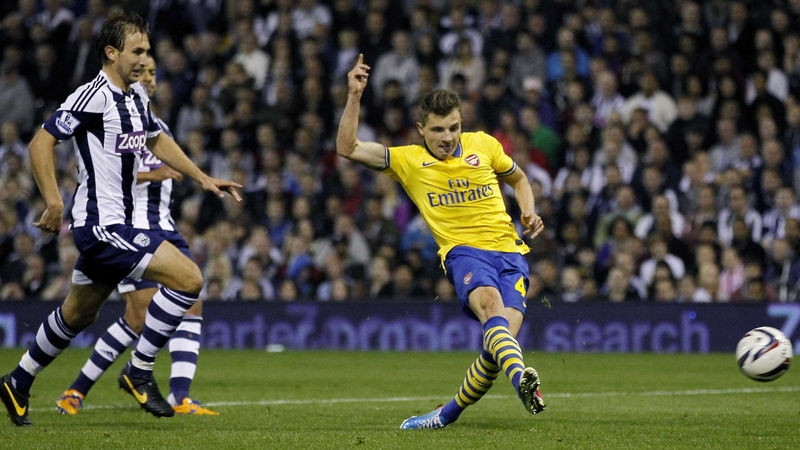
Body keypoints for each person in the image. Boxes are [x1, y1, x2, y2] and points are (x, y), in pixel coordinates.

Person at [0, 12, 240, 427]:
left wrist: (201, 177)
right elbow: (41, 141)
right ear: (112, 53)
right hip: (102, 225)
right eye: (138, 51)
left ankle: (17, 381)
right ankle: (139, 369)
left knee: (79, 314)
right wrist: (54, 201)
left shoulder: (136, 97)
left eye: (147, 50)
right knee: (190, 280)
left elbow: (156, 138)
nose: (145, 59)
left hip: (121, 226)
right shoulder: (91, 96)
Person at [336, 54, 546, 430]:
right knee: (491, 307)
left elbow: (520, 180)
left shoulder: (484, 145)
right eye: (438, 130)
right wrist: (354, 95)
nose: (448, 137)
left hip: (511, 253)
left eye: (453, 128)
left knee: (497, 349)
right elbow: (348, 147)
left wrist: (528, 211)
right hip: (464, 254)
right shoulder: (409, 161)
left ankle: (445, 415)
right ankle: (524, 383)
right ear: (421, 129)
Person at [55, 55, 218, 417]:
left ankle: (181, 395)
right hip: (129, 229)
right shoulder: (112, 121)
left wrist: (197, 176)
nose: (148, 78)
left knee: (192, 299)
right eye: (141, 71)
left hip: (163, 225)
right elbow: (102, 174)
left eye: (154, 73)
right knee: (139, 316)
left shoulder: (156, 126)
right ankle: (78, 390)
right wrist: (153, 175)